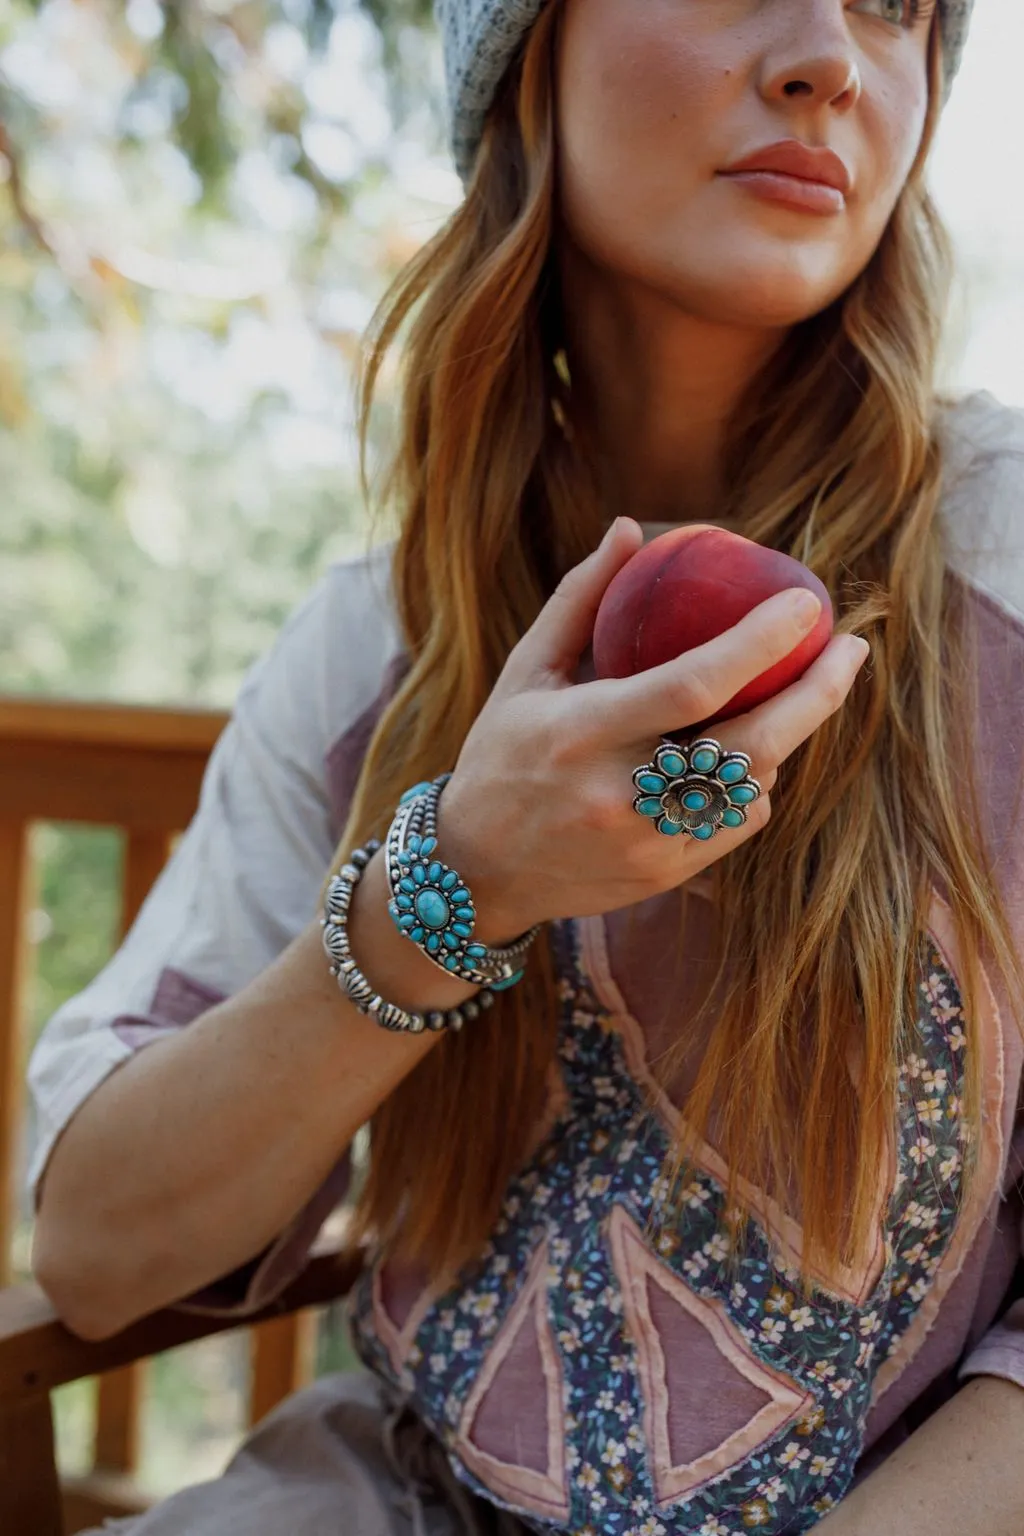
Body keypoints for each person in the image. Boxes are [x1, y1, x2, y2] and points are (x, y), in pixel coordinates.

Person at [24, 0, 1024, 1531]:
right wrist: (456, 882)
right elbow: (101, 1251)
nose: (833, 52)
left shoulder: (1005, 574)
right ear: (523, 55)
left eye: (902, 7)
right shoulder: (377, 646)